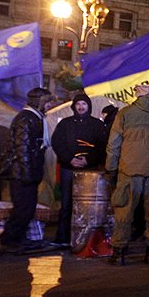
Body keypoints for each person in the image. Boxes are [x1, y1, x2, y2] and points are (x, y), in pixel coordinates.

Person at [105, 83, 149, 265]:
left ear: (138, 95)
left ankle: (119, 252)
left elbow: (113, 145)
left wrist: (111, 167)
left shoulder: (125, 114)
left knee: (124, 212)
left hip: (129, 171)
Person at [0, 88, 56, 251]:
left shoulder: (35, 118)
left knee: (26, 207)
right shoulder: (26, 118)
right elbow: (22, 148)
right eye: (48, 102)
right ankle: (10, 239)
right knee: (24, 208)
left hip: (27, 170)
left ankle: (17, 238)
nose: (50, 105)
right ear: (40, 102)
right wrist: (27, 173)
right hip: (22, 172)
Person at [50, 93, 107, 247]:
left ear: (89, 106)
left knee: (89, 205)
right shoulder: (65, 124)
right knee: (67, 202)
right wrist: (70, 159)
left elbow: (102, 146)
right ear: (74, 106)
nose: (81, 107)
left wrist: (88, 159)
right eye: (78, 104)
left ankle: (87, 239)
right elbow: (57, 143)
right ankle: (63, 237)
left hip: (90, 172)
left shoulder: (97, 125)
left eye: (84, 104)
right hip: (68, 169)